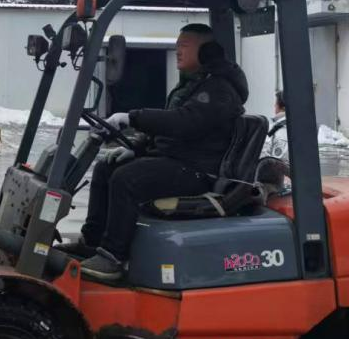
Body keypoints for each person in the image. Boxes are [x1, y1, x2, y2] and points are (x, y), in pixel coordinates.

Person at [77, 23, 248, 282]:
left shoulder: (218, 89)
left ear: (207, 51)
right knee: (105, 168)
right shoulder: (194, 84)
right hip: (179, 160)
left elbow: (184, 122)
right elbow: (169, 132)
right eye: (177, 45)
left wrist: (132, 117)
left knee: (127, 179)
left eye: (184, 45)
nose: (177, 51)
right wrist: (136, 149)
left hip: (198, 170)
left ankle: (112, 257)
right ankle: (92, 243)